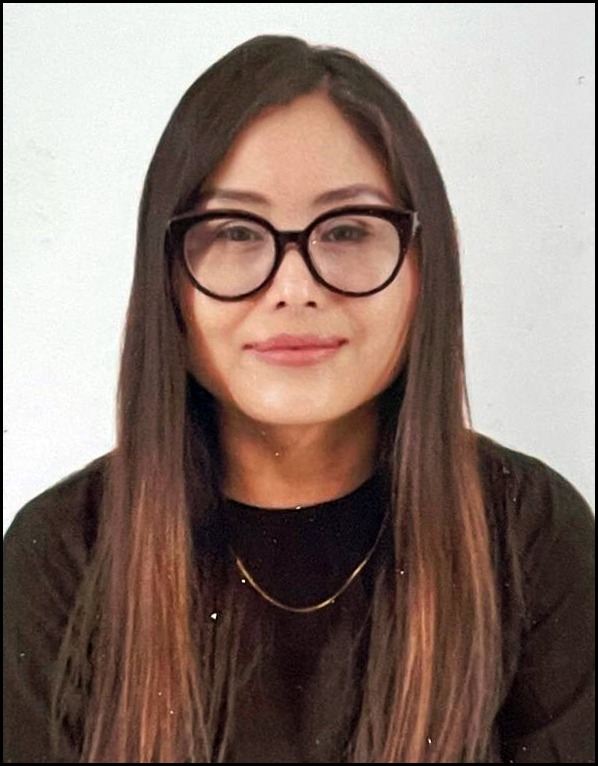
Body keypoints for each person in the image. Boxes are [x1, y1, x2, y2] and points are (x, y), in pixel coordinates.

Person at [3, 34, 594, 764]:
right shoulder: (63, 553)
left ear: (424, 264)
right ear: (168, 278)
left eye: (346, 229)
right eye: (234, 231)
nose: (294, 287)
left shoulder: (529, 532)